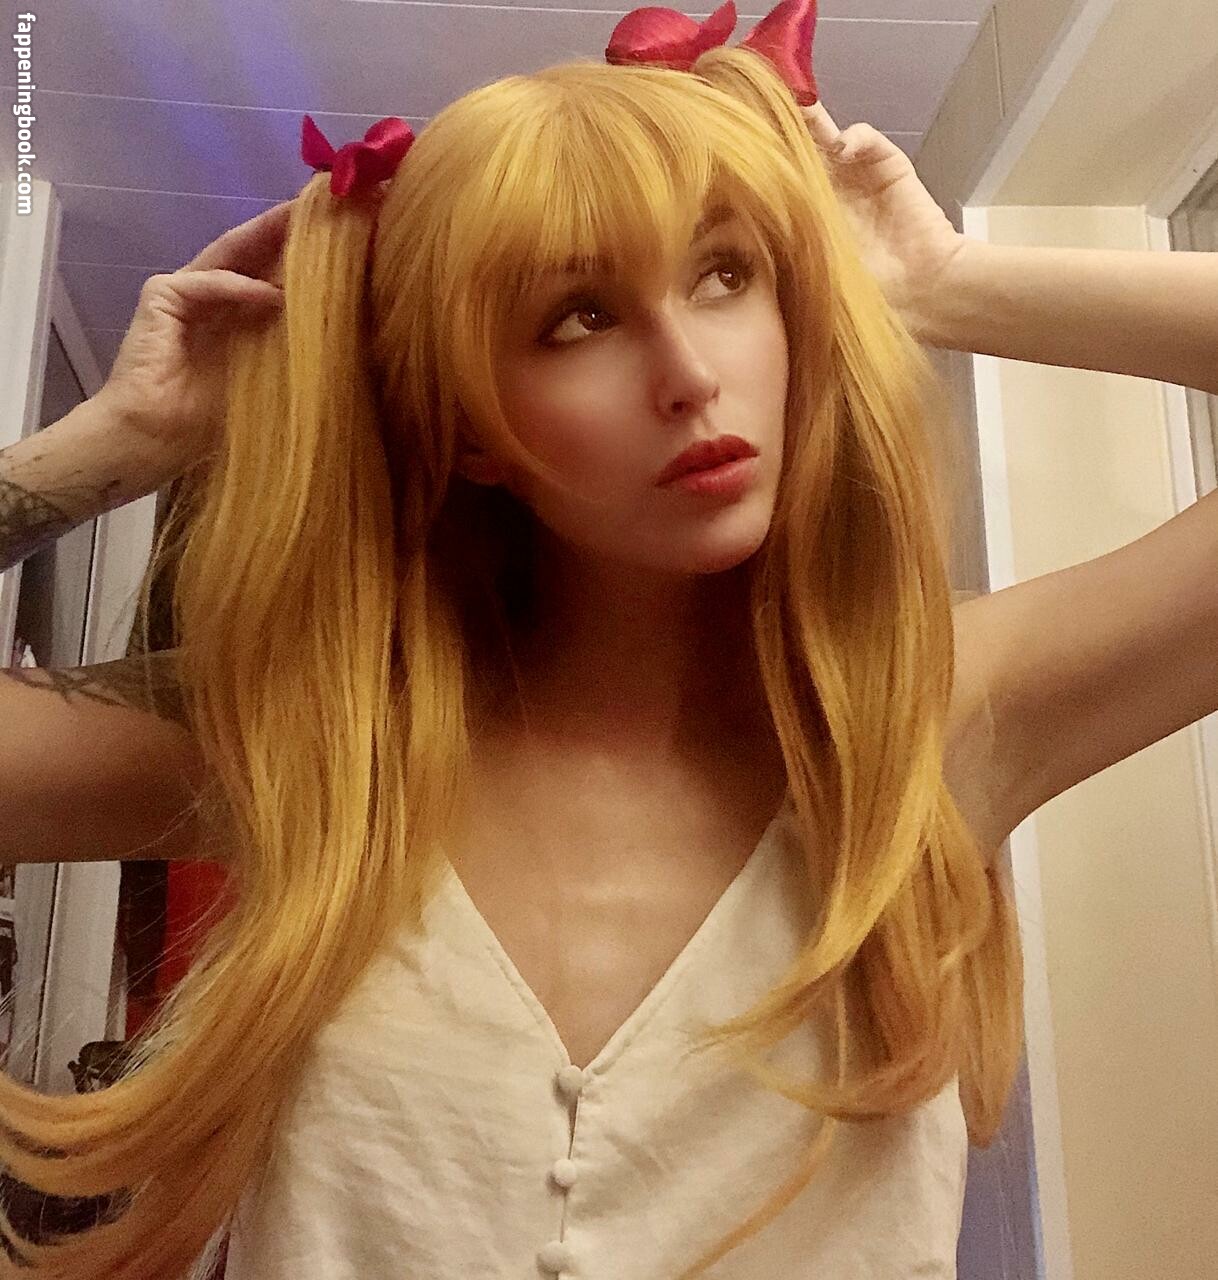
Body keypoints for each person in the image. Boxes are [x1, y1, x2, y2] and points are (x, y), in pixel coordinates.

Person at [0, 2, 1121, 1272]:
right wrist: (107, 448)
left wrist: (947, 283)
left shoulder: (938, 721)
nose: (688, 371)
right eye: (577, 318)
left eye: (724, 274)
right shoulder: (314, 745)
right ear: (472, 433)